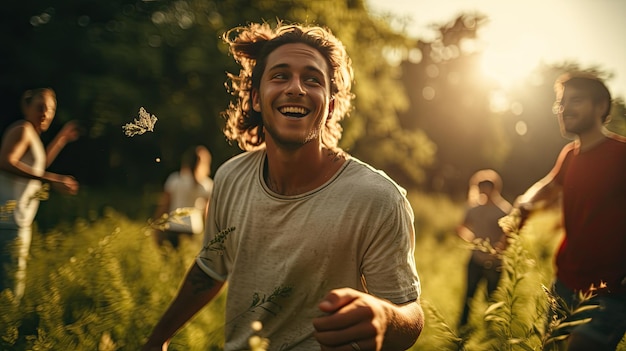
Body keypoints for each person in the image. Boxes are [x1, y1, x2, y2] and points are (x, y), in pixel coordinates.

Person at [142, 21, 424, 351]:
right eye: (280, 75)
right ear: (257, 99)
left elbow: (411, 314)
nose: (296, 88)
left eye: (312, 80)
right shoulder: (231, 177)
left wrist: (385, 317)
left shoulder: (377, 198)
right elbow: (210, 269)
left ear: (330, 107)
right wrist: (158, 339)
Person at [513, 72, 626, 351]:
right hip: (564, 281)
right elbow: (549, 185)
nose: (564, 109)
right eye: (561, 103)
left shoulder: (621, 154)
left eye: (575, 101)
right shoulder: (569, 155)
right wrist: (524, 203)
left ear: (601, 106)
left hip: (610, 291)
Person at [0, 88, 80, 302]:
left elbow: (38, 168)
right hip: (7, 224)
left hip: (15, 223)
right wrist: (53, 179)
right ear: (26, 106)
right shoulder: (22, 129)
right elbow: (5, 161)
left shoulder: (32, 135)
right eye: (40, 107)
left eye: (50, 109)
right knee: (9, 294)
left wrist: (61, 139)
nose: (45, 113)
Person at [456, 169, 511, 330]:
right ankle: (462, 327)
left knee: (492, 298)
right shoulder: (473, 209)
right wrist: (473, 241)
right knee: (469, 295)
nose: (483, 191)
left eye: (487, 187)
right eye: (481, 187)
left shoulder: (503, 210)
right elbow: (461, 227)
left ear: (495, 189)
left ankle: (491, 330)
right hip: (475, 259)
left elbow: (508, 237)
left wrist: (497, 252)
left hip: (494, 263)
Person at [152, 145, 213, 249]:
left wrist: (156, 225)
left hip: (173, 227)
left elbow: (164, 206)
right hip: (194, 229)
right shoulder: (207, 185)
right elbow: (207, 214)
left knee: (172, 261)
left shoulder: (175, 179)